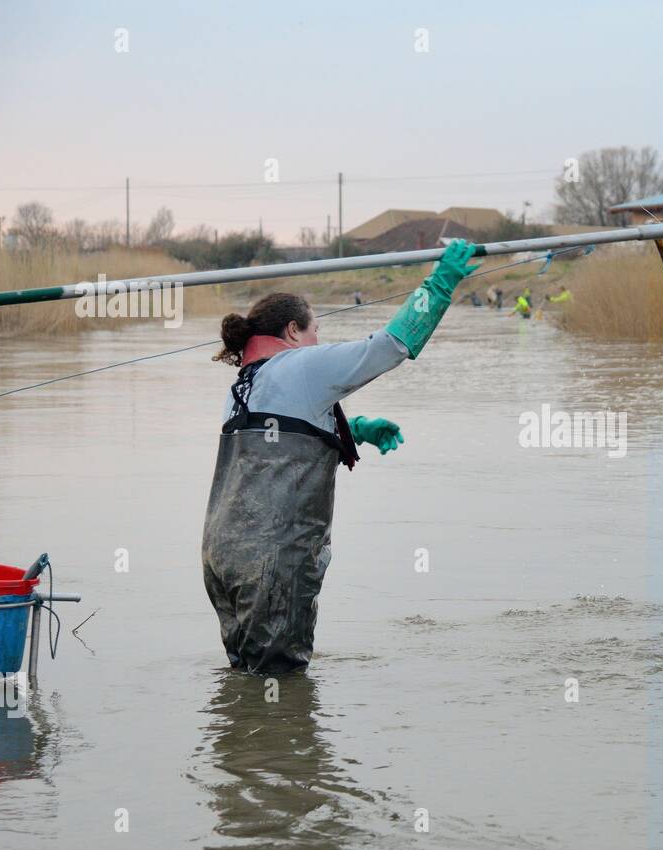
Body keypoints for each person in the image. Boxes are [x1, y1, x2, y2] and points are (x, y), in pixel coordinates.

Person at [201, 240, 478, 674]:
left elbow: (280, 440)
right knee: (282, 688)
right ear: (293, 332)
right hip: (274, 562)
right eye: (315, 333)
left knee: (246, 679)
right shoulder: (303, 364)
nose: (317, 343)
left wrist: (354, 429)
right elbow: (390, 346)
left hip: (223, 558)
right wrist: (441, 282)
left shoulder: (243, 386)